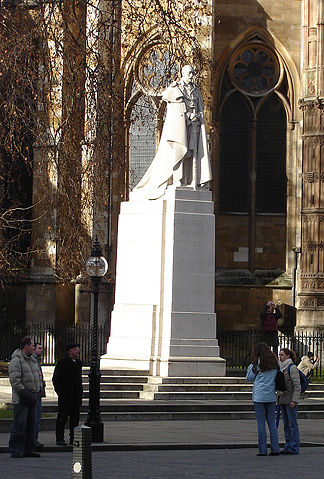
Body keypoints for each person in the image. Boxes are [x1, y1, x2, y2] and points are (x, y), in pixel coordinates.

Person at [134, 65, 212, 199]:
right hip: (181, 128)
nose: (191, 75)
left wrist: (198, 116)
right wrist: (188, 116)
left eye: (193, 73)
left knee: (193, 153)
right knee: (179, 151)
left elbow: (200, 107)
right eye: (189, 73)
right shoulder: (176, 88)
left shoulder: (196, 90)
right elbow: (172, 103)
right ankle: (178, 180)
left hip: (194, 126)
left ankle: (193, 181)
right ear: (182, 74)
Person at [8, 337, 42, 458]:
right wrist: (25, 393)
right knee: (20, 424)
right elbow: (15, 380)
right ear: (26, 346)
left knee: (31, 424)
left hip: (33, 397)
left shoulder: (33, 360)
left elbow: (38, 376)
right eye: (32, 345)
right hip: (22, 398)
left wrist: (38, 392)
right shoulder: (16, 360)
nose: (33, 347)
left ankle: (29, 448)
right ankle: (16, 448)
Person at [246, 342, 280, 456]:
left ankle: (263, 450)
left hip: (259, 396)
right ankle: (275, 448)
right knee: (271, 421)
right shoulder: (274, 364)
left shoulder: (256, 364)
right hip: (271, 395)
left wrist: (251, 366)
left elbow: (249, 378)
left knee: (261, 422)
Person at [52, 343, 83, 446]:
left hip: (75, 396)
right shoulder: (62, 363)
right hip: (65, 396)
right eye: (76, 349)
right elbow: (56, 379)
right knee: (62, 418)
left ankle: (73, 438)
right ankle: (59, 438)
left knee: (75, 420)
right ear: (70, 351)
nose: (78, 351)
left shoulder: (78, 363)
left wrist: (80, 393)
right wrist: (60, 392)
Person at [278, 347, 301, 454]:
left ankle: (294, 446)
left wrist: (294, 400)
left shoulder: (292, 368)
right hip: (282, 399)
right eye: (279, 355)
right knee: (286, 425)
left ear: (288, 356)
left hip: (290, 400)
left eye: (282, 355)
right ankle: (288, 445)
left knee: (292, 425)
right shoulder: (280, 367)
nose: (280, 357)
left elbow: (297, 386)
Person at [33, 342, 46, 450]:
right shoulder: (33, 360)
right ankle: (32, 440)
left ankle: (34, 439)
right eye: (39, 348)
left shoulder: (36, 360)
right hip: (34, 392)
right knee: (34, 419)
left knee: (37, 418)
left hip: (38, 391)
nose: (41, 350)